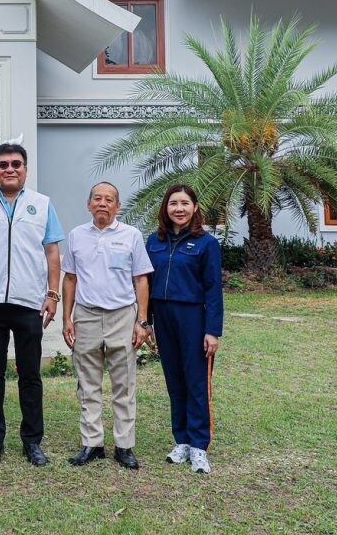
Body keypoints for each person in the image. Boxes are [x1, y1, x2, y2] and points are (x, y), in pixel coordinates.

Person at [0, 143, 65, 468]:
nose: (10, 169)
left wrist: (52, 294)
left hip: (30, 304)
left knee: (30, 374)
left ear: (25, 169)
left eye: (16, 164)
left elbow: (51, 252)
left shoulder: (42, 204)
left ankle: (32, 441)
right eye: (3, 164)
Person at [61, 182, 154, 469]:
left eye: (109, 199)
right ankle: (92, 444)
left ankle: (124, 446)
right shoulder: (77, 235)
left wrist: (142, 321)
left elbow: (141, 279)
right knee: (87, 384)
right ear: (88, 204)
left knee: (124, 384)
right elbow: (70, 278)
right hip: (86, 316)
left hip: (122, 317)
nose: (103, 203)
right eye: (97, 199)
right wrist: (67, 317)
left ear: (118, 206)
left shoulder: (131, 235)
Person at [145, 184, 223, 474]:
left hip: (193, 318)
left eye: (185, 203)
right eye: (173, 203)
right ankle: (182, 441)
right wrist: (147, 322)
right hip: (163, 318)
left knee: (196, 383)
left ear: (194, 207)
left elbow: (214, 289)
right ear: (166, 208)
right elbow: (146, 285)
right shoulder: (154, 241)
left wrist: (212, 330)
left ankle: (199, 445)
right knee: (175, 382)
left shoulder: (206, 244)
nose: (179, 208)